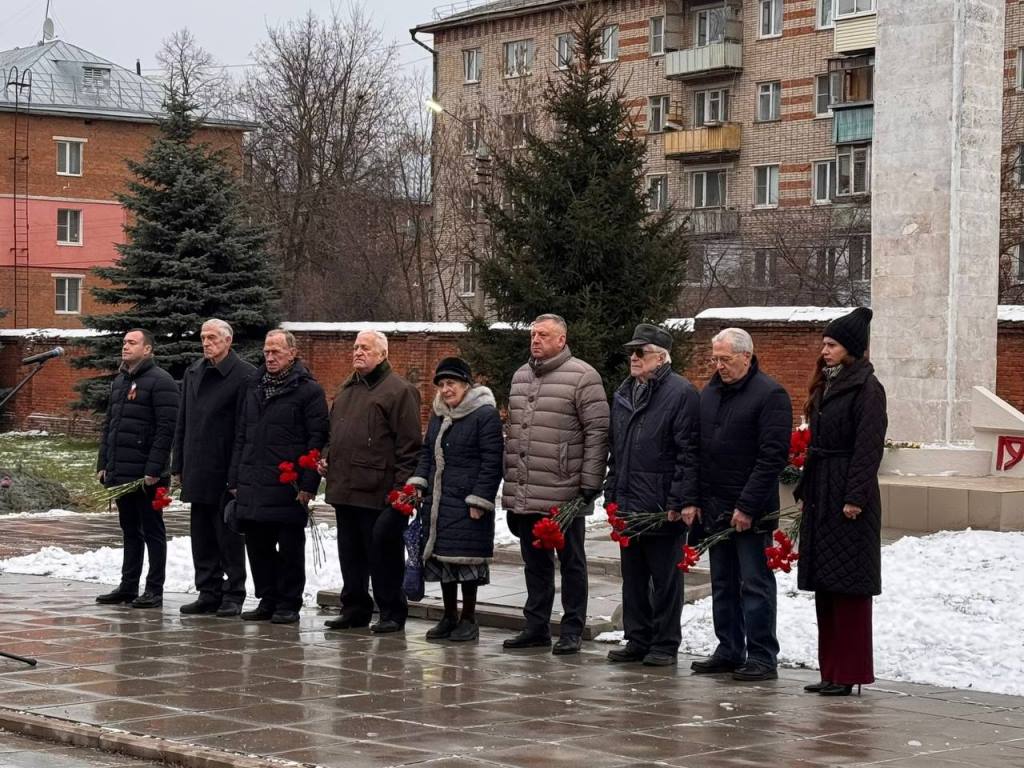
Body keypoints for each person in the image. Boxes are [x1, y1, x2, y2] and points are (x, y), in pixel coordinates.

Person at [688, 327, 791, 681]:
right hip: (716, 507)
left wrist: (747, 506)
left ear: (746, 356)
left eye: (725, 359)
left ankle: (762, 655)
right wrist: (698, 500)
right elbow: (701, 451)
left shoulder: (770, 395)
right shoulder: (710, 395)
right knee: (723, 583)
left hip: (751, 511)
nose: (719, 366)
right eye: (714, 359)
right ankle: (729, 648)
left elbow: (771, 458)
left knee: (754, 583)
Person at [502, 314, 609, 655]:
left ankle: (572, 628)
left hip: (564, 490)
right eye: (533, 334)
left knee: (572, 562)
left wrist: (590, 482)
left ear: (561, 340)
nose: (535, 340)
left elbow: (597, 431)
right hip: (527, 487)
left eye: (543, 335)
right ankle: (536, 626)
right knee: (534, 562)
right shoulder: (521, 376)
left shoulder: (583, 376)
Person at [796, 307, 887, 697]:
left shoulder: (868, 389)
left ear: (850, 348)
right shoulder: (827, 385)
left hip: (849, 498)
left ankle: (849, 672)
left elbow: (868, 448)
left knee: (849, 591)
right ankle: (830, 670)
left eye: (831, 344)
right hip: (822, 490)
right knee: (826, 587)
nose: (824, 350)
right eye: (824, 343)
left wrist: (854, 497)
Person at [604, 324, 699, 667]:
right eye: (631, 352)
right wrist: (612, 494)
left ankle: (665, 642)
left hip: (661, 506)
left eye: (640, 352)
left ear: (660, 357)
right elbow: (616, 450)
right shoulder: (625, 392)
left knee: (665, 578)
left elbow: (688, 453)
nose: (633, 357)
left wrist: (679, 500)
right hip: (629, 502)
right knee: (633, 577)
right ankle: (638, 637)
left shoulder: (680, 393)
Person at [322, 330, 422, 634]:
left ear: (382, 354)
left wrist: (401, 493)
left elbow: (409, 447)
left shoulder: (399, 390)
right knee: (350, 555)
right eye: (355, 347)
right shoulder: (347, 388)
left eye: (365, 348)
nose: (358, 352)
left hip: (379, 491)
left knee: (383, 555)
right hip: (344, 487)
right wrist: (327, 455)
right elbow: (334, 433)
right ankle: (354, 608)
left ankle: (391, 611)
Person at [228, 329, 327, 624]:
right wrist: (235, 478)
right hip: (254, 481)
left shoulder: (309, 390)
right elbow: (242, 435)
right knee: (257, 546)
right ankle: (267, 598)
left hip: (288, 485)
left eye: (276, 352)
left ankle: (288, 602)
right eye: (267, 352)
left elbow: (317, 439)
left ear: (292, 353)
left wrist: (308, 484)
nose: (269, 358)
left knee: (290, 547)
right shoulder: (254, 386)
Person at [407, 357, 503, 642]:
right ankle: (448, 616)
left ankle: (469, 619)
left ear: (466, 385)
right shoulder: (438, 414)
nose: (446, 390)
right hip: (439, 500)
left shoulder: (484, 414)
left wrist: (480, 499)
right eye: (442, 384)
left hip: (467, 500)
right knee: (443, 558)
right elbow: (427, 452)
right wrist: (419, 481)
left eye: (452, 383)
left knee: (466, 562)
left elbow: (491, 461)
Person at [171, 319, 255, 617]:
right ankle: (208, 590)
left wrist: (237, 472)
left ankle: (234, 593)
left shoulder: (244, 375)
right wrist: (178, 462)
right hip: (197, 464)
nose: (206, 343)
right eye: (203, 337)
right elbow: (184, 420)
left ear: (228, 341)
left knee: (228, 534)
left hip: (225, 468)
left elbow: (245, 428)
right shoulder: (194, 372)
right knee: (202, 534)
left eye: (213, 337)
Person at [95, 328, 179, 609]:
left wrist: (154, 468)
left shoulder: (161, 381)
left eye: (132, 343)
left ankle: (154, 589)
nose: (125, 347)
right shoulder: (120, 380)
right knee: (130, 530)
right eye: (124, 343)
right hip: (122, 471)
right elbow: (110, 425)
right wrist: (103, 463)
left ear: (148, 349)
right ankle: (128, 586)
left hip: (148, 474)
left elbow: (167, 430)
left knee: (152, 530)